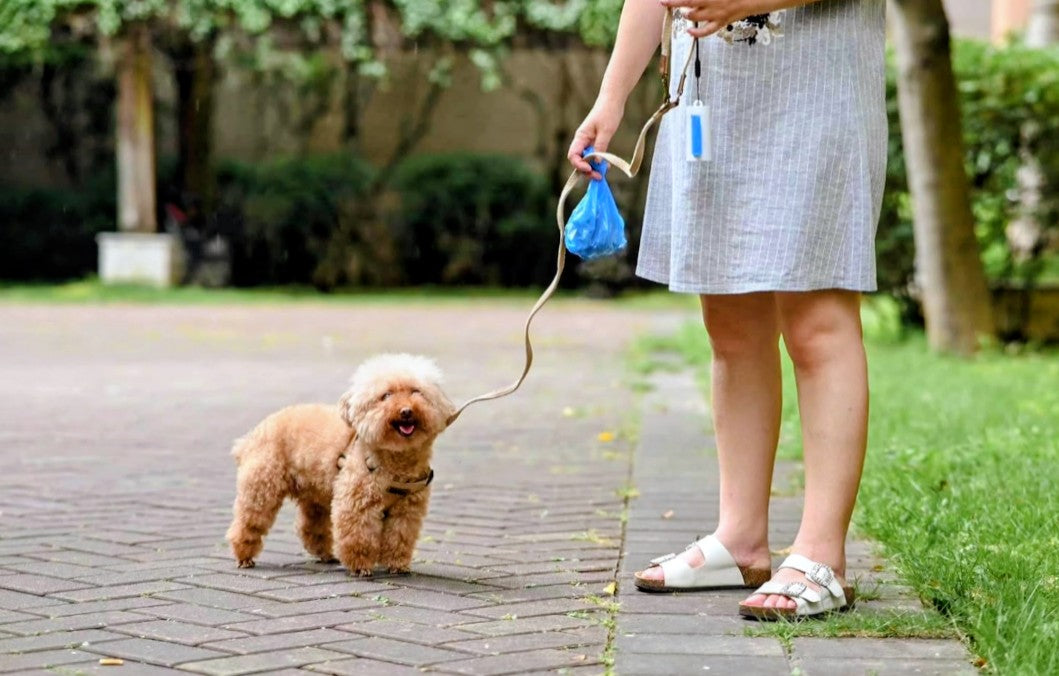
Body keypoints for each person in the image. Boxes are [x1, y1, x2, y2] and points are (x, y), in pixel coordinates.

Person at [568, 0, 886, 620]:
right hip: (711, 99)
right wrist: (609, 102)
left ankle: (823, 556)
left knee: (817, 323)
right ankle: (740, 539)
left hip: (818, 87)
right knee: (731, 327)